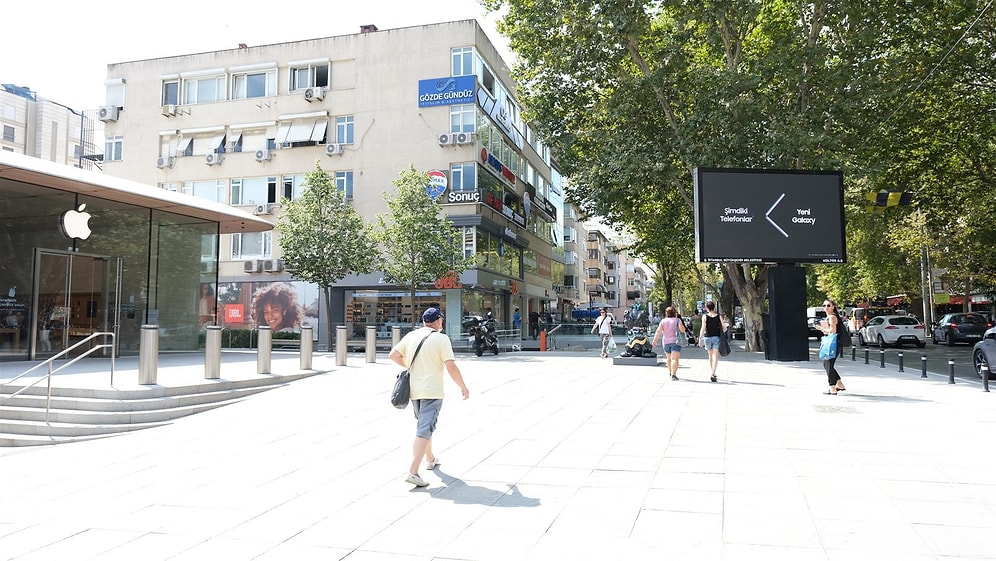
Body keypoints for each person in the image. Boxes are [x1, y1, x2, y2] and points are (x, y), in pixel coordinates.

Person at [388, 307, 470, 487]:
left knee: (424, 426)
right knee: (424, 429)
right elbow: (451, 367)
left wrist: (408, 364)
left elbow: (393, 355)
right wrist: (463, 387)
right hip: (432, 391)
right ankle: (413, 471)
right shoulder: (441, 339)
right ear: (439, 321)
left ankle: (430, 459)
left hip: (414, 391)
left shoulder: (411, 336)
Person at [820, 299, 848, 395]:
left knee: (828, 364)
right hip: (834, 342)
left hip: (834, 343)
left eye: (828, 305)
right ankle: (839, 384)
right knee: (827, 364)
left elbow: (833, 331)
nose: (826, 307)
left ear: (833, 307)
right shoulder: (830, 317)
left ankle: (832, 387)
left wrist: (821, 328)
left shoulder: (832, 317)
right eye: (824, 305)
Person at [652, 306, 687, 381]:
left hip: (666, 342)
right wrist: (678, 319)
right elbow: (683, 330)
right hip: (675, 342)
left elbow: (658, 331)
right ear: (675, 313)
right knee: (675, 359)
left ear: (666, 313)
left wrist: (655, 340)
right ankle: (673, 375)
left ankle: (670, 372)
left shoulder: (663, 321)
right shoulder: (677, 320)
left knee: (668, 358)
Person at [698, 300, 727, 382]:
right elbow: (724, 328)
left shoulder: (704, 317)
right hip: (716, 337)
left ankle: (712, 371)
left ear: (707, 308)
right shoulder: (719, 316)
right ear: (714, 307)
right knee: (715, 356)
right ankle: (714, 372)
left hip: (707, 338)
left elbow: (703, 328)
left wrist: (700, 339)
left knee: (710, 356)